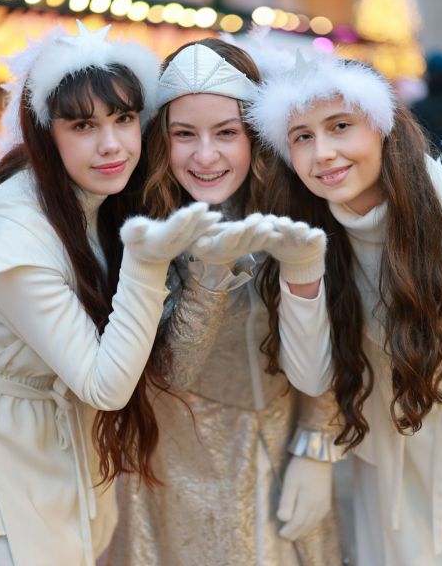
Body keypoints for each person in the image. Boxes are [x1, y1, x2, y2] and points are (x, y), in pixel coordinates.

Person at [0, 24, 225, 566]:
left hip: (58, 451)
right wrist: (147, 262)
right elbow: (105, 385)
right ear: (47, 133)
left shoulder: (93, 201)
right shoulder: (12, 235)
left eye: (124, 119)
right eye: (84, 125)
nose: (112, 144)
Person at [248, 54, 442, 565]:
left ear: (382, 125)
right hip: (385, 462)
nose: (322, 153)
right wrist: (301, 270)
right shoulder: (313, 228)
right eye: (301, 136)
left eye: (340, 126)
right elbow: (312, 375)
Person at [107, 39, 343, 565]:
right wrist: (210, 274)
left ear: (254, 138)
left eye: (226, 133)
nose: (206, 155)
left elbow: (340, 327)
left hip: (282, 446)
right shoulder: (141, 222)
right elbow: (173, 370)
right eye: (184, 134)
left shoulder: (297, 201)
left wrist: (318, 441)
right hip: (174, 464)